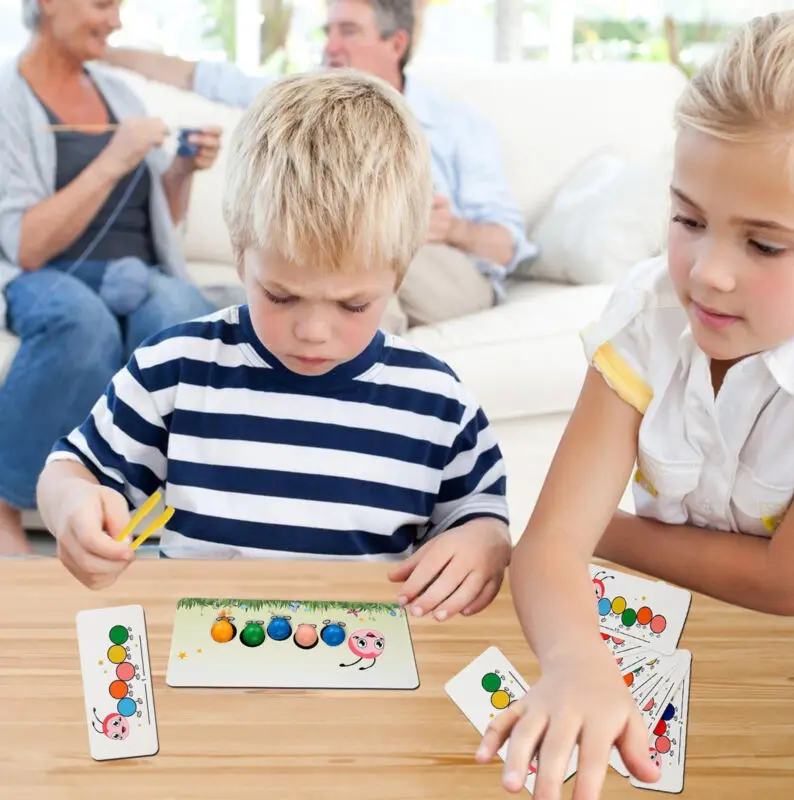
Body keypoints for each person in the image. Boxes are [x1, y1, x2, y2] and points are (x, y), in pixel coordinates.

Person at [36, 68, 512, 625]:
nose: (312, 331)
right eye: (281, 296)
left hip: (364, 669)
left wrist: (486, 542)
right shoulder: (177, 371)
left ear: (399, 275)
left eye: (352, 305)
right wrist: (71, 508)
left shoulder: (437, 403)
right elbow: (72, 469)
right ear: (241, 255)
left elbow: (482, 512)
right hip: (202, 661)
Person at [474, 10, 794, 800]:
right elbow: (548, 548)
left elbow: (787, 585)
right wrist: (578, 662)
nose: (707, 273)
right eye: (688, 220)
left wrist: (610, 534)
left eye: (763, 244)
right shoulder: (650, 314)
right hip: (676, 635)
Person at [103, 0, 539, 334]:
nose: (331, 45)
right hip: (344, 251)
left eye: (348, 31)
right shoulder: (304, 100)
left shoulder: (457, 126)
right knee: (301, 282)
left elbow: (506, 247)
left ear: (396, 43)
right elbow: (208, 79)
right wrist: (103, 51)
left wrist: (452, 228)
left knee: (361, 273)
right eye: (328, 30)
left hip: (440, 266)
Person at [0, 0, 223, 556]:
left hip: (139, 271)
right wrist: (114, 157)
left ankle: (154, 506)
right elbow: (24, 246)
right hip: (49, 273)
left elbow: (161, 223)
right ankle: (6, 501)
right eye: (103, 5)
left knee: (178, 316)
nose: (116, 21)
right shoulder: (8, 99)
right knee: (82, 323)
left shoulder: (118, 95)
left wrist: (180, 170)